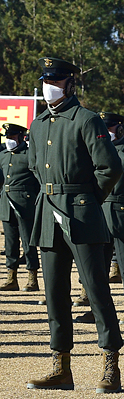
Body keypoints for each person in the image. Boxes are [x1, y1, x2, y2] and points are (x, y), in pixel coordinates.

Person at [26, 58, 124, 394]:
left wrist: (87, 200)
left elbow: (109, 168)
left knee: (96, 289)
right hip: (48, 212)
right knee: (54, 293)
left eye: (55, 81)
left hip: (81, 214)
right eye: (45, 80)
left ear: (70, 84)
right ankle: (61, 367)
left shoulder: (86, 119)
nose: (48, 86)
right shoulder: (38, 124)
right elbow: (35, 168)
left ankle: (111, 364)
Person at [100, 112, 124, 326]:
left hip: (123, 213)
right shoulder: (98, 151)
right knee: (98, 264)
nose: (107, 132)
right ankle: (98, 308)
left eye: (111, 128)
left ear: (120, 129)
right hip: (100, 213)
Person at [0, 123, 41, 293]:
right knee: (10, 243)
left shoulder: (29, 154)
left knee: (28, 242)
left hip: (25, 204)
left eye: (12, 137)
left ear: (21, 137)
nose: (9, 140)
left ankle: (32, 278)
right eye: (7, 137)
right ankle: (12, 277)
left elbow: (38, 180)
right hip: (6, 202)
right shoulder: (2, 155)